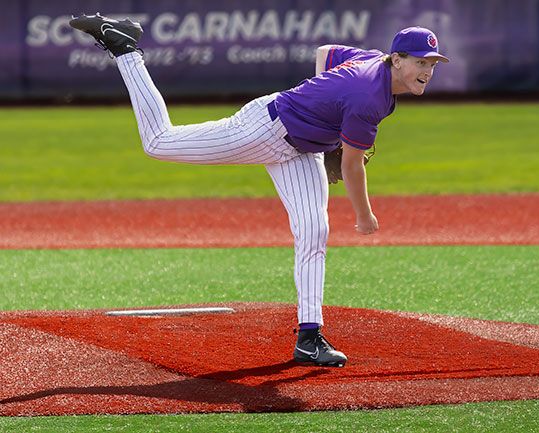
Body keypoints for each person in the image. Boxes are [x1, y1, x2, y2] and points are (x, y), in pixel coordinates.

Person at [69, 13, 449, 367]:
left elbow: (325, 54)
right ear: (397, 60)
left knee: (314, 231)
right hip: (265, 129)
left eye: (432, 63)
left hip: (301, 148)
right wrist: (364, 215)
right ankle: (126, 49)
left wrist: (323, 114)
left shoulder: (373, 60)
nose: (427, 70)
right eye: (420, 62)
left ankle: (309, 337)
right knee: (158, 142)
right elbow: (351, 166)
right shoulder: (369, 95)